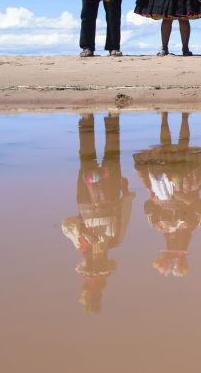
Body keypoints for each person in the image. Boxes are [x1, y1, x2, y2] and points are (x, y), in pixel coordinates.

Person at [61, 113, 135, 313]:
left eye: (92, 266)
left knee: (86, 158)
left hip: (85, 200)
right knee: (112, 158)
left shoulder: (81, 244)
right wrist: (126, 193)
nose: (96, 260)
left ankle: (86, 120)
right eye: (99, 264)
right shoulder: (115, 241)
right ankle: (112, 118)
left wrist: (82, 233)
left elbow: (67, 224)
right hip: (110, 198)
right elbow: (124, 216)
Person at [133, 112, 201, 278]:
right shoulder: (192, 225)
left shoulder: (157, 225)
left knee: (164, 150)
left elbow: (147, 206)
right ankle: (183, 117)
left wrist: (156, 199)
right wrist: (184, 198)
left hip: (162, 187)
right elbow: (200, 204)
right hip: (185, 183)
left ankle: (165, 118)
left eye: (172, 247)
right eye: (177, 247)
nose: (174, 243)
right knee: (183, 149)